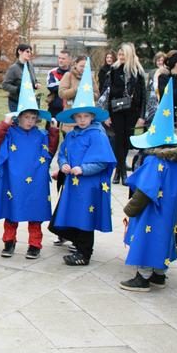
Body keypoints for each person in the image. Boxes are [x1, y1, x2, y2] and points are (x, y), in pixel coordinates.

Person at [118, 82, 177, 291]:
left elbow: (145, 190)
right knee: (164, 238)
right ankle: (159, 275)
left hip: (152, 211)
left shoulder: (155, 162)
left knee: (146, 239)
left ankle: (142, 277)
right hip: (170, 212)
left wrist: (130, 209)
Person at [0, 65, 60, 259]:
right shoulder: (10, 132)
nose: (29, 121)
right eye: (26, 117)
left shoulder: (40, 135)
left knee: (35, 212)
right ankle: (9, 242)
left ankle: (35, 244)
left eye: (33, 118)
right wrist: (4, 123)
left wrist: (54, 131)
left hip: (36, 180)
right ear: (18, 117)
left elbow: (50, 151)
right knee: (12, 211)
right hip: (13, 179)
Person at [50, 64, 116, 266]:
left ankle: (84, 253)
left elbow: (102, 161)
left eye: (85, 116)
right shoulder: (72, 135)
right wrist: (63, 165)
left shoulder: (97, 135)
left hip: (89, 186)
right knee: (71, 214)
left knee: (85, 217)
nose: (82, 120)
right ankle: (77, 245)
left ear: (92, 116)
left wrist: (83, 169)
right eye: (78, 116)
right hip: (73, 184)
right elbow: (63, 154)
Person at [103, 42, 146, 185]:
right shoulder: (113, 70)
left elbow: (144, 95)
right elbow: (107, 93)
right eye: (119, 54)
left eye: (123, 54)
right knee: (118, 140)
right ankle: (122, 172)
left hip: (132, 111)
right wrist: (106, 114)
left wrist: (142, 116)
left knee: (126, 141)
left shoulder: (137, 72)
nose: (120, 57)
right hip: (116, 110)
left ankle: (118, 170)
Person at [1, 44, 39, 113]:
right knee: (18, 123)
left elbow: (33, 80)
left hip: (29, 102)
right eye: (27, 52)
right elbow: (4, 85)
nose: (29, 54)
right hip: (16, 102)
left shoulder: (30, 66)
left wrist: (36, 84)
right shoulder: (13, 68)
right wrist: (17, 89)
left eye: (30, 52)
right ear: (20, 52)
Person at [45, 50, 71, 118]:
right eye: (59, 58)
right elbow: (50, 86)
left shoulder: (74, 73)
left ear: (69, 60)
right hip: (55, 108)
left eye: (63, 58)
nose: (60, 60)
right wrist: (66, 85)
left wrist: (60, 85)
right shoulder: (52, 72)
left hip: (70, 107)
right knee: (51, 128)